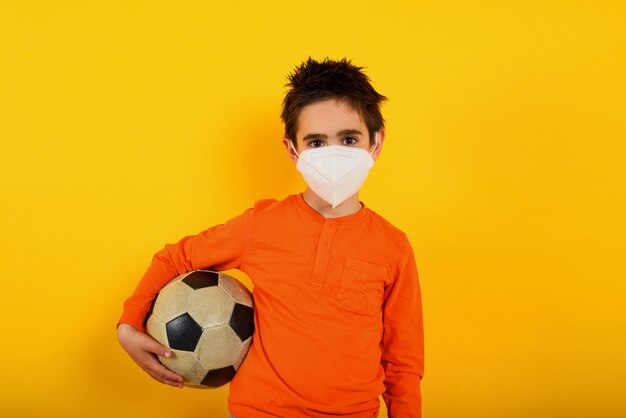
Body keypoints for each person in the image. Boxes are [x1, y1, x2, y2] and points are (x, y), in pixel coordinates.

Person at [117, 57, 424, 418]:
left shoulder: (393, 246)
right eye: (316, 142)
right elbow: (175, 258)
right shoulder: (261, 225)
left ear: (376, 143)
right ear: (292, 149)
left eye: (349, 139)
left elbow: (402, 359)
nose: (333, 153)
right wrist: (128, 324)